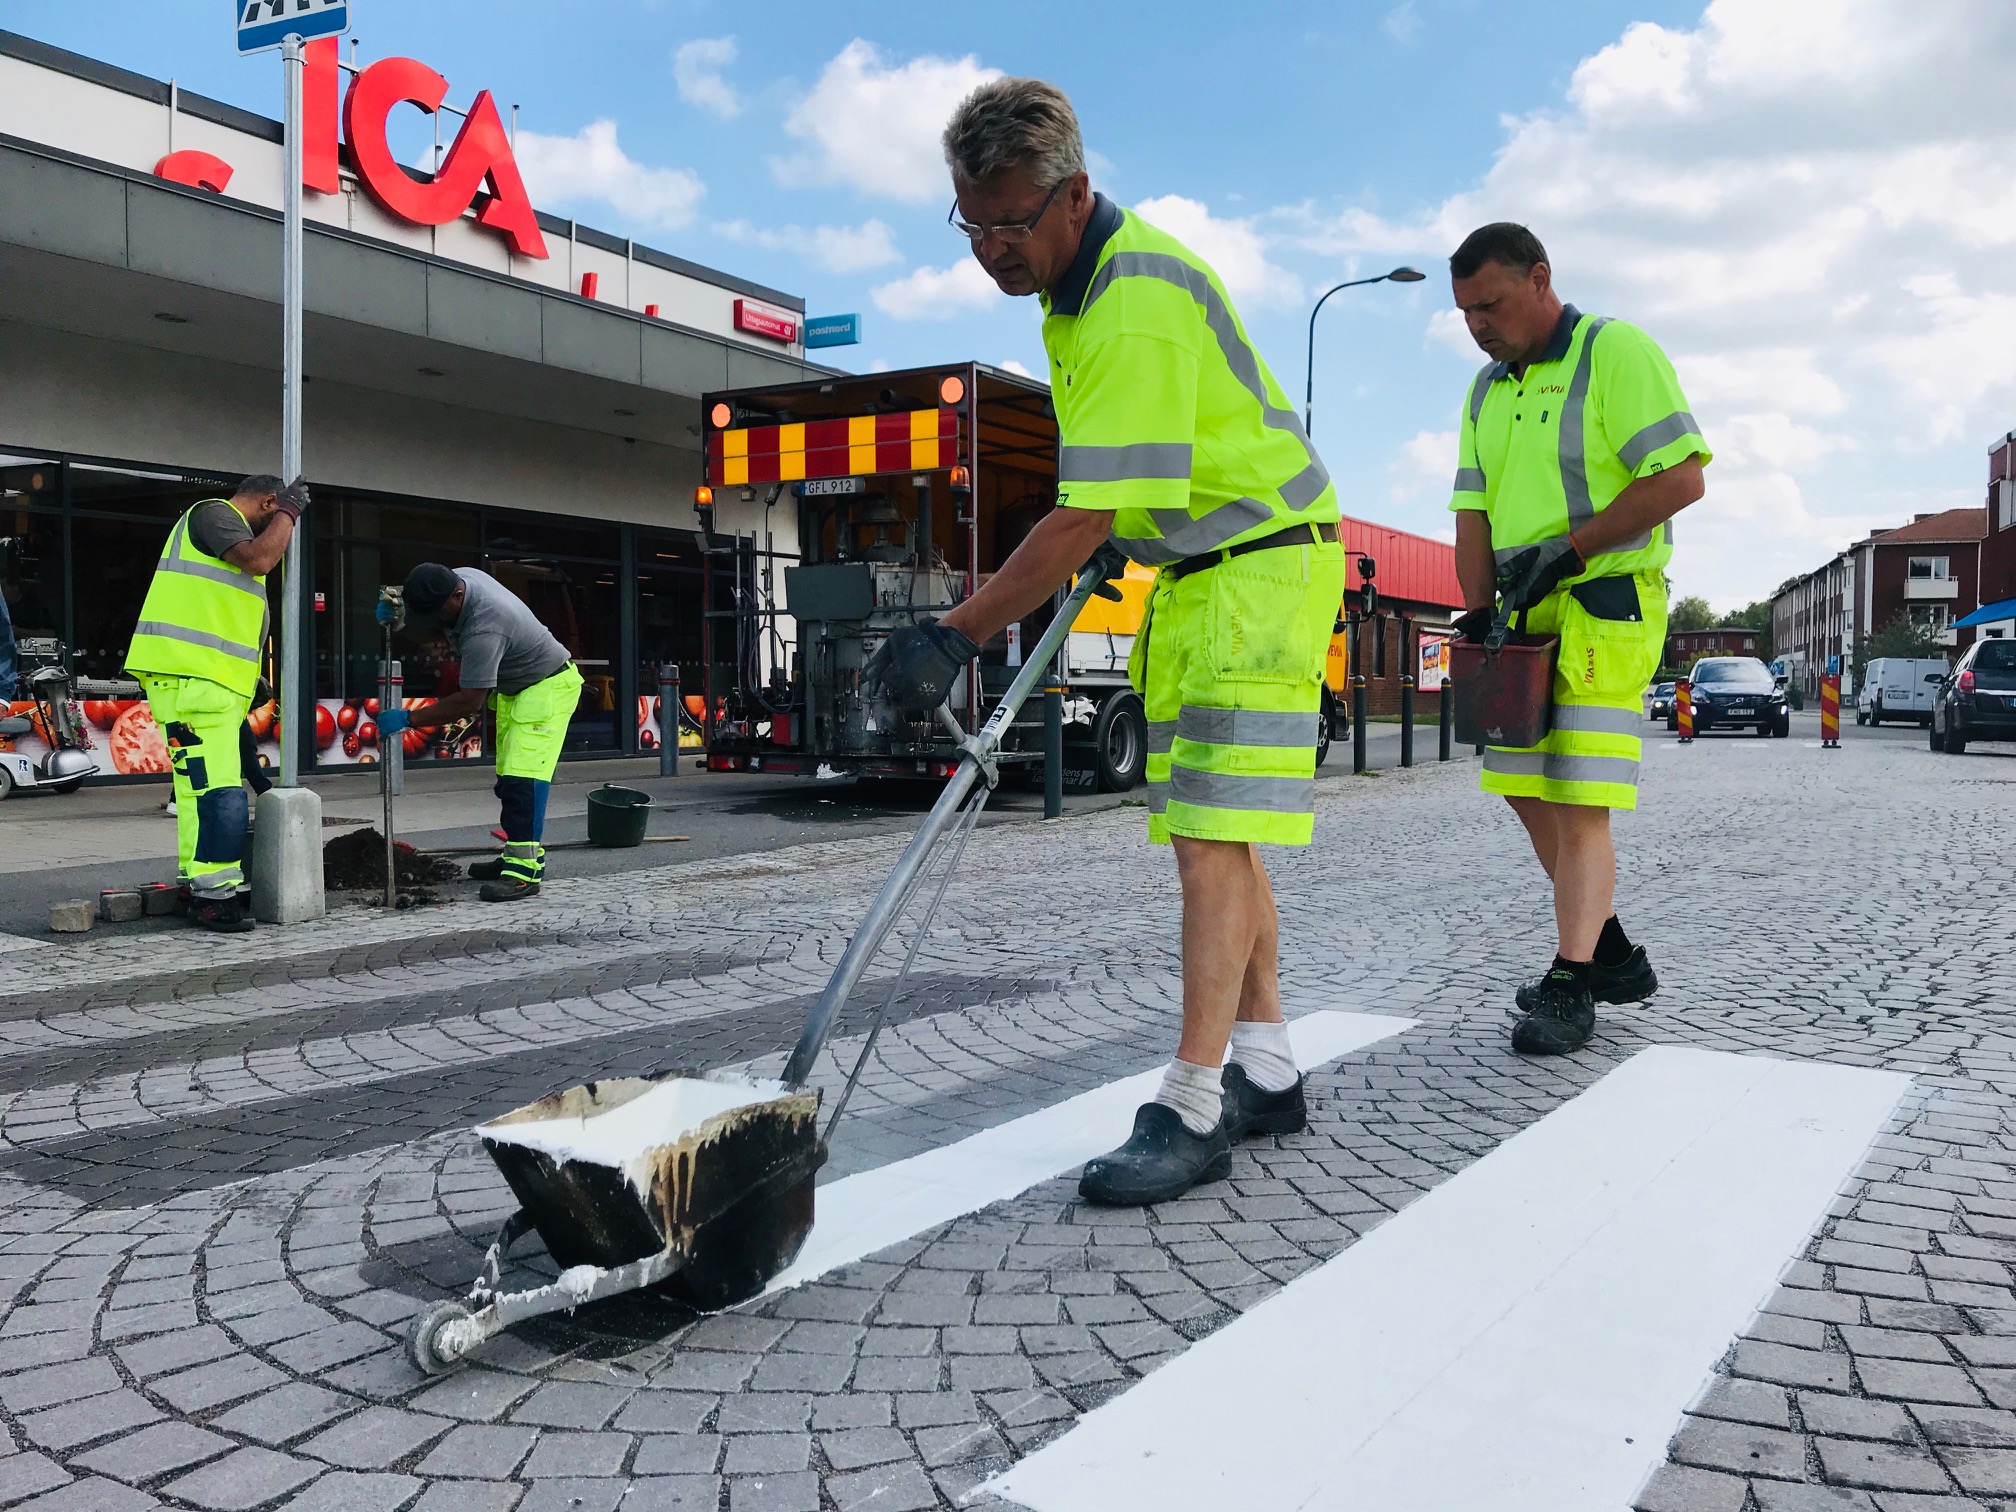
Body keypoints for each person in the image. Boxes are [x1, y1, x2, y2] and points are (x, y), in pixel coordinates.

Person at [871, 78, 1345, 1207]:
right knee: (1211, 827)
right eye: (970, 223)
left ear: (1073, 195)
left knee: (1208, 843)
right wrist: (1104, 536)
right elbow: (1110, 500)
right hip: (1200, 574)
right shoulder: (1069, 295)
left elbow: (1082, 512)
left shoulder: (1127, 299)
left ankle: (1193, 1106)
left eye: (1010, 222)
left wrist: (957, 631)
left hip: (1259, 571)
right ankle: (1268, 1072)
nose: (990, 249)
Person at [1446, 223, 1710, 1054]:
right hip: (1522, 618)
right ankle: (1612, 950)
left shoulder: (1614, 351)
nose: (1478, 324)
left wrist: (1570, 548)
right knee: (1525, 792)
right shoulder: (1486, 390)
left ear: (1540, 279)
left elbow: (1682, 476)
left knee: (1578, 799)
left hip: (1605, 603)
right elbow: (1473, 511)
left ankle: (1573, 979)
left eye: (1489, 304)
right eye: (1464, 312)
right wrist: (1478, 605)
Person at [126, 474, 306, 932]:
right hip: (199, 683)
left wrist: (252, 676)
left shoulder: (212, 529)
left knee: (196, 791)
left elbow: (221, 612)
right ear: (266, 501)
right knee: (223, 792)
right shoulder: (215, 515)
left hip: (196, 681)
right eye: (273, 510)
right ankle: (216, 898)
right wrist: (289, 512)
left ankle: (197, 881)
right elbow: (261, 559)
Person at [379, 563, 583, 902]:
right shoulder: (456, 579)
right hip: (517, 689)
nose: (434, 622)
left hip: (546, 688)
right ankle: (514, 856)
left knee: (524, 782)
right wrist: (398, 607)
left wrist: (408, 719)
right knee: (508, 780)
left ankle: (523, 874)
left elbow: (470, 701)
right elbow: (424, 592)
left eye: (435, 612)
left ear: (458, 596)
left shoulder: (486, 627)